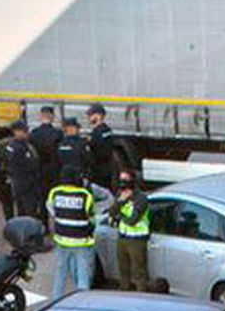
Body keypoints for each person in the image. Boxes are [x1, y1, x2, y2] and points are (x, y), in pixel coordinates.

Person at [46, 167, 97, 298]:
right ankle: (82, 301)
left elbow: (51, 211)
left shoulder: (55, 192)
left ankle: (55, 300)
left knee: (60, 272)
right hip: (81, 241)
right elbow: (91, 217)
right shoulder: (85, 195)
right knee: (83, 274)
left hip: (61, 239)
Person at [108, 170, 151, 291]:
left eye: (126, 180)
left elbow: (132, 220)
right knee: (123, 270)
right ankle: (124, 292)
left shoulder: (141, 198)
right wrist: (120, 201)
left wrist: (119, 216)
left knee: (138, 272)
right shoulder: (120, 195)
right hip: (123, 237)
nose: (123, 183)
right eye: (121, 179)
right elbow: (111, 212)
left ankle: (141, 295)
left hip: (137, 240)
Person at [1, 121, 43, 218]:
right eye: (24, 131)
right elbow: (28, 164)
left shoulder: (12, 145)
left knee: (22, 208)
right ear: (16, 132)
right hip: (24, 181)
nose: (26, 134)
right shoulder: (19, 147)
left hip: (19, 181)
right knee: (29, 209)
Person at [30, 106, 62, 219]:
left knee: (42, 199)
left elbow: (32, 153)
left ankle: (44, 224)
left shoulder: (34, 133)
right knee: (57, 199)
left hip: (40, 170)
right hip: (55, 170)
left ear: (40, 116)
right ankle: (58, 222)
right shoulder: (58, 133)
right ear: (52, 117)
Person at [86, 104, 116, 189]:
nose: (89, 117)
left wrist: (90, 141)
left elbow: (97, 149)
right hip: (106, 169)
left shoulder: (97, 133)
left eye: (91, 115)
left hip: (98, 171)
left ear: (99, 115)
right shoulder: (106, 130)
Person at [57, 116, 91, 182]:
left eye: (72, 127)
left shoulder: (83, 143)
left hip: (78, 176)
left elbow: (88, 160)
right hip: (66, 176)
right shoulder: (61, 143)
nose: (71, 129)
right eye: (68, 127)